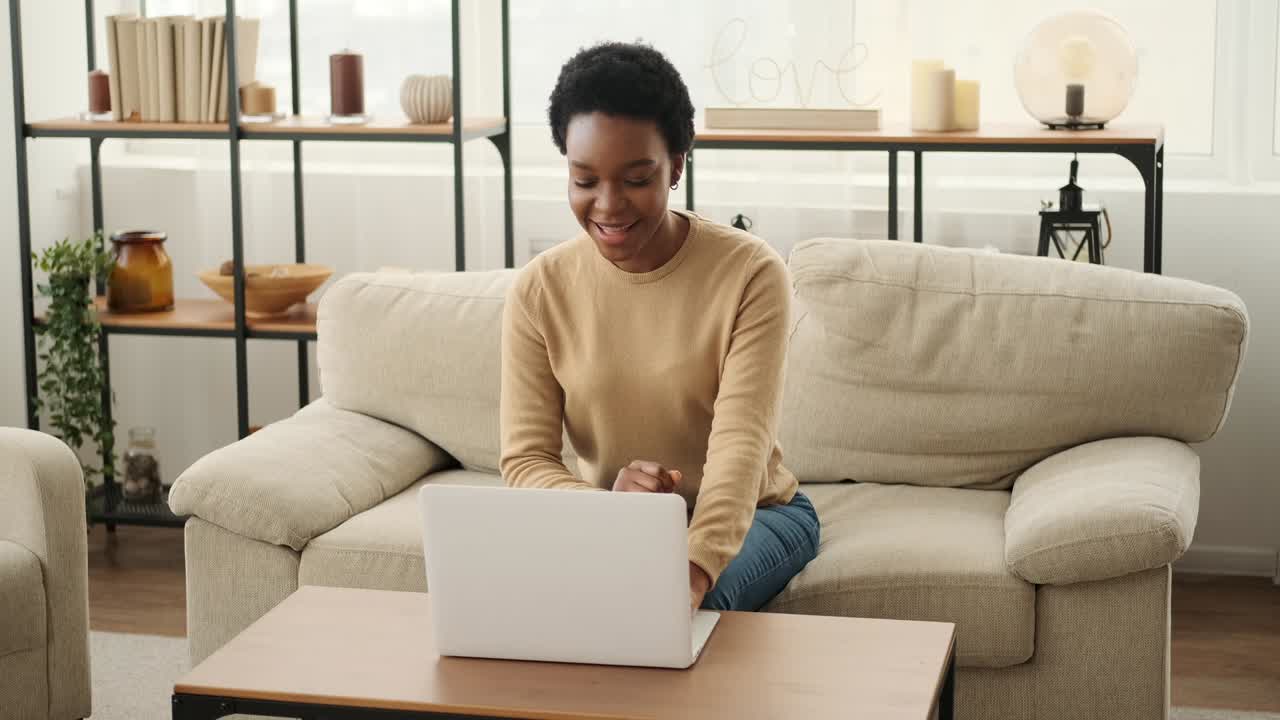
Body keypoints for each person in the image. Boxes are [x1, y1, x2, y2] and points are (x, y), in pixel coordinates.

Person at [500, 41, 820, 612]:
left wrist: (690, 574)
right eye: (584, 179)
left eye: (636, 179)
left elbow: (740, 447)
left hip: (759, 516)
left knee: (660, 607)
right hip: (615, 521)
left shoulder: (750, 273)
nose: (608, 205)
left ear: (676, 166)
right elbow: (526, 461)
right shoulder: (539, 289)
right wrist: (609, 514)